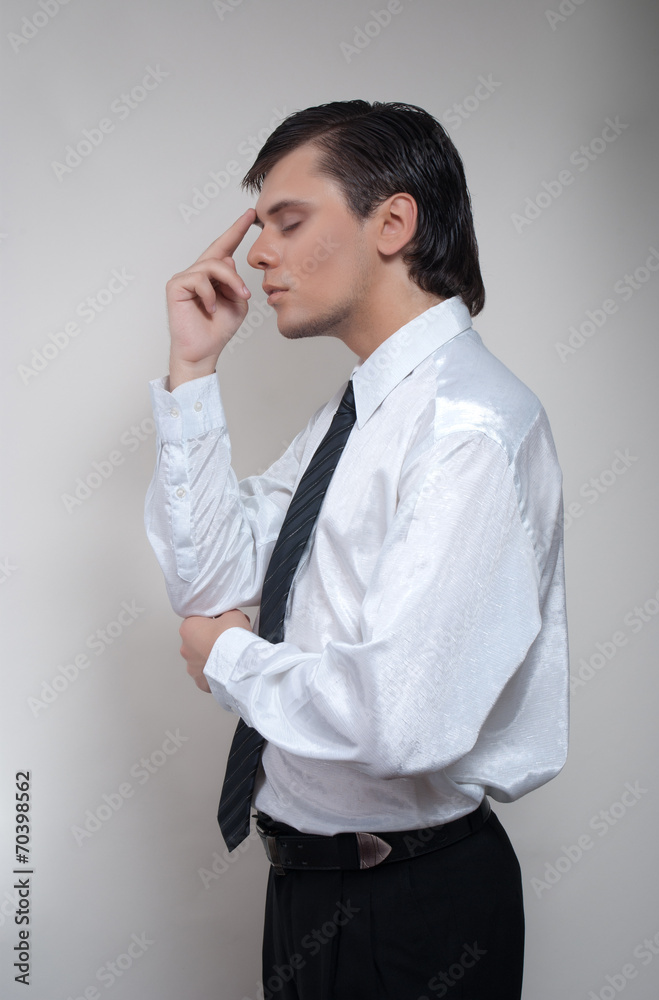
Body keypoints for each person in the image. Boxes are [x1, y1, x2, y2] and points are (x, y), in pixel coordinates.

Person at [144, 100, 569, 1000]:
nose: (257, 255)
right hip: (310, 889)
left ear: (392, 222)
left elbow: (396, 719)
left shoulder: (465, 428)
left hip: (411, 911)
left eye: (288, 222)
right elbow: (212, 578)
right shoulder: (360, 414)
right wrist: (193, 372)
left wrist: (228, 658)